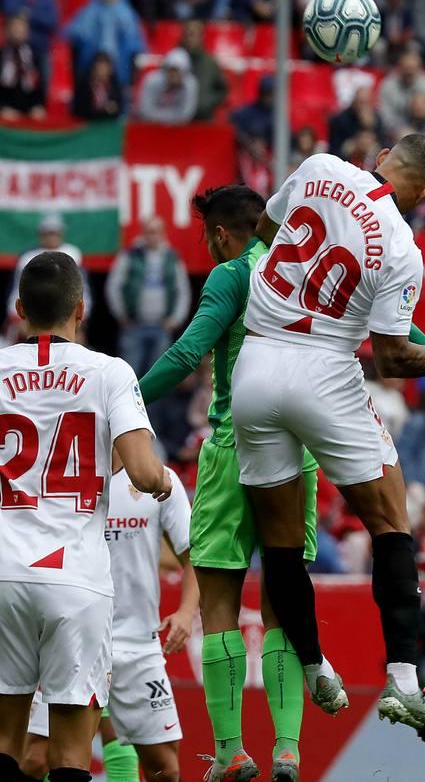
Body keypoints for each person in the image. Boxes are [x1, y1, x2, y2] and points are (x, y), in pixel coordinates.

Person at [230, 134, 425, 744]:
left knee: (280, 543)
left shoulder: (318, 167)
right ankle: (403, 680)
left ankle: (315, 666)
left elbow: (263, 228)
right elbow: (391, 359)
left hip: (255, 365)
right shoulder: (401, 246)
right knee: (391, 521)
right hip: (325, 370)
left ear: (387, 150)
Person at [139, 186, 320, 782]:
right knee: (283, 604)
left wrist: (120, 404)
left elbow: (190, 350)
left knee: (219, 605)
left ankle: (230, 751)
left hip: (233, 450)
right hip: (298, 454)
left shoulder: (230, 276)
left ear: (220, 235)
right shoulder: (307, 272)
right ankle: (288, 749)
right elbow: (394, 328)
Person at [0, 251, 169, 782]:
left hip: (4, 571)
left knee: (5, 744)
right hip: (76, 579)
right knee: (71, 753)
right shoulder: (109, 372)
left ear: (20, 308)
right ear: (81, 310)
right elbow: (143, 473)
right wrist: (163, 481)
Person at [21, 460, 197, 782]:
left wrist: (186, 613)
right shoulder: (62, 477)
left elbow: (193, 556)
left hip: (137, 641)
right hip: (70, 636)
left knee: (165, 769)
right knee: (35, 757)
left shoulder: (160, 479)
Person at [105, 217, 191, 377]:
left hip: (161, 326)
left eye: (155, 232)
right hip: (134, 325)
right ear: (143, 233)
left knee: (157, 376)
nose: (152, 236)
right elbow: (114, 285)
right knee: (129, 374)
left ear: (163, 234)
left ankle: (155, 404)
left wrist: (176, 319)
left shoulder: (172, 257)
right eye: (148, 232)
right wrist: (121, 314)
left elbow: (182, 289)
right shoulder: (130, 255)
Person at [5, 214, 93, 331]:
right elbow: (18, 289)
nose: (51, 236)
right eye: (48, 232)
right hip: (34, 318)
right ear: (40, 233)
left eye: (54, 232)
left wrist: (82, 316)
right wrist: (15, 317)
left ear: (61, 233)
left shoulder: (74, 254)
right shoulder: (27, 257)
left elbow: (82, 289)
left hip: (65, 318)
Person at [66, 0, 145, 90]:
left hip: (119, 71)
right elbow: (74, 33)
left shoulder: (128, 14)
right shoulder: (89, 10)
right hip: (90, 69)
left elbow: (135, 43)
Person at [378, 48, 425, 138]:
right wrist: (399, 129)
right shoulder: (388, 85)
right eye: (406, 68)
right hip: (396, 131)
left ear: (419, 68)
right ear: (399, 68)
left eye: (413, 68)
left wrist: (424, 114)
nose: (409, 72)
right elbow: (385, 115)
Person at [179, 18, 228, 121]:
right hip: (177, 119)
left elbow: (222, 90)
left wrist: (208, 102)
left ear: (201, 36)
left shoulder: (210, 63)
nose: (189, 38)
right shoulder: (174, 60)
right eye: (187, 34)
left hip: (203, 119)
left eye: (193, 34)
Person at [0, 14, 45, 120]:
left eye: (21, 31)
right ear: (7, 31)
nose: (17, 35)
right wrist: (2, 107)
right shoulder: (2, 56)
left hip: (29, 111)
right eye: (14, 30)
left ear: (26, 33)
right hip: (6, 111)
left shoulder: (34, 56)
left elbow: (39, 84)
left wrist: (38, 106)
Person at [137, 48, 199, 124]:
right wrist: (172, 118)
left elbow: (186, 115)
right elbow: (145, 111)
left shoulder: (190, 84)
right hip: (152, 127)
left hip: (178, 130)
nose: (173, 75)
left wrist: (162, 118)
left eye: (177, 71)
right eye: (171, 70)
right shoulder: (151, 81)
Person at [72, 51, 123, 120]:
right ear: (94, 68)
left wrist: (112, 108)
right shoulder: (84, 86)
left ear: (110, 69)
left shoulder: (115, 85)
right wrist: (100, 109)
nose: (102, 70)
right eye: (99, 67)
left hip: (109, 124)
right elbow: (78, 110)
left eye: (105, 67)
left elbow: (119, 108)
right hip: (88, 125)